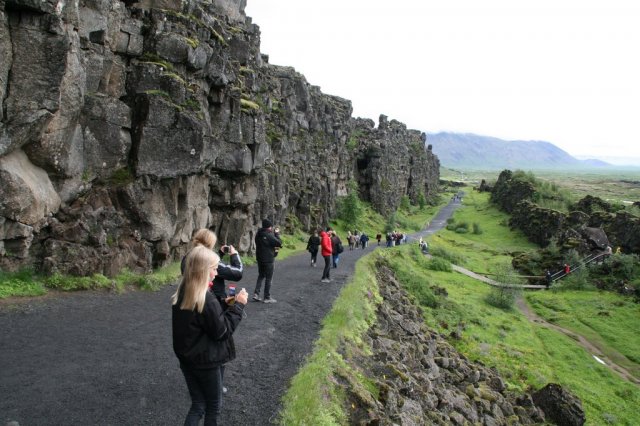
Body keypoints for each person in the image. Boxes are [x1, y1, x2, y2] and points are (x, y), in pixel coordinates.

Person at [172, 246, 248, 426]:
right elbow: (222, 331)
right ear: (203, 271)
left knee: (198, 405)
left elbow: (203, 318)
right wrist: (239, 306)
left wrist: (226, 302)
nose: (216, 273)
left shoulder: (183, 292)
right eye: (214, 268)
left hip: (189, 360)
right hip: (207, 361)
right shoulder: (206, 298)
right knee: (213, 406)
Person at [253, 219, 282, 303]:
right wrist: (276, 234)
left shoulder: (258, 234)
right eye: (271, 226)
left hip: (260, 258)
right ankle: (267, 297)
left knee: (261, 275)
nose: (271, 228)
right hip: (268, 259)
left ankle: (256, 294)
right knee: (269, 278)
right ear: (269, 227)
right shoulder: (269, 235)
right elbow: (279, 243)